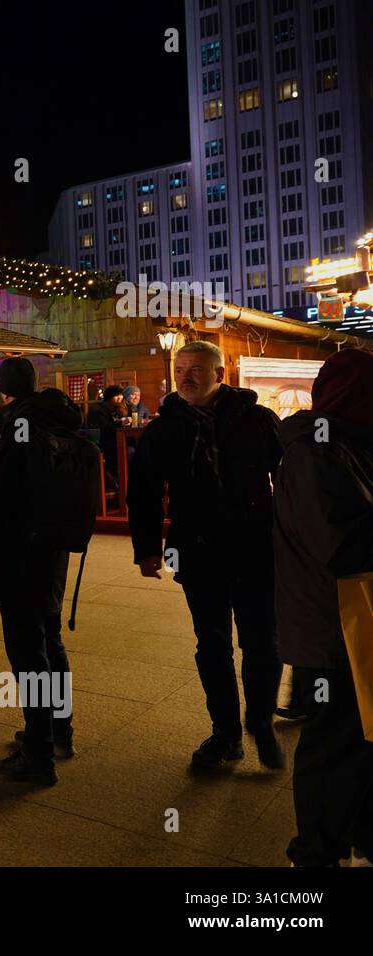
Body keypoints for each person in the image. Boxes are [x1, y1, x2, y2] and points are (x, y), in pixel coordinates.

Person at [128, 340, 285, 772]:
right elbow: (143, 491)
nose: (186, 376)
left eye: (196, 369)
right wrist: (146, 549)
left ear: (219, 374)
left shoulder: (256, 420)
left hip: (255, 547)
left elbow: (287, 478)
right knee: (211, 643)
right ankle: (226, 734)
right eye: (180, 369)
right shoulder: (164, 428)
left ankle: (260, 721)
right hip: (196, 550)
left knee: (261, 640)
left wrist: (291, 538)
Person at [273, 349, 373, 867]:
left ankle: (361, 834)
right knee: (333, 743)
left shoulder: (349, 447)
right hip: (331, 630)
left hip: (355, 626)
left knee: (361, 740)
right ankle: (313, 853)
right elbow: (339, 544)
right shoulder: (316, 454)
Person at [0, 358, 81, 786]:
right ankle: (58, 732)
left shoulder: (20, 428)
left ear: (2, 392)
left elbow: (4, 500)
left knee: (29, 657)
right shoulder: (55, 421)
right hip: (52, 555)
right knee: (50, 644)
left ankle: (38, 755)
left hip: (22, 559)